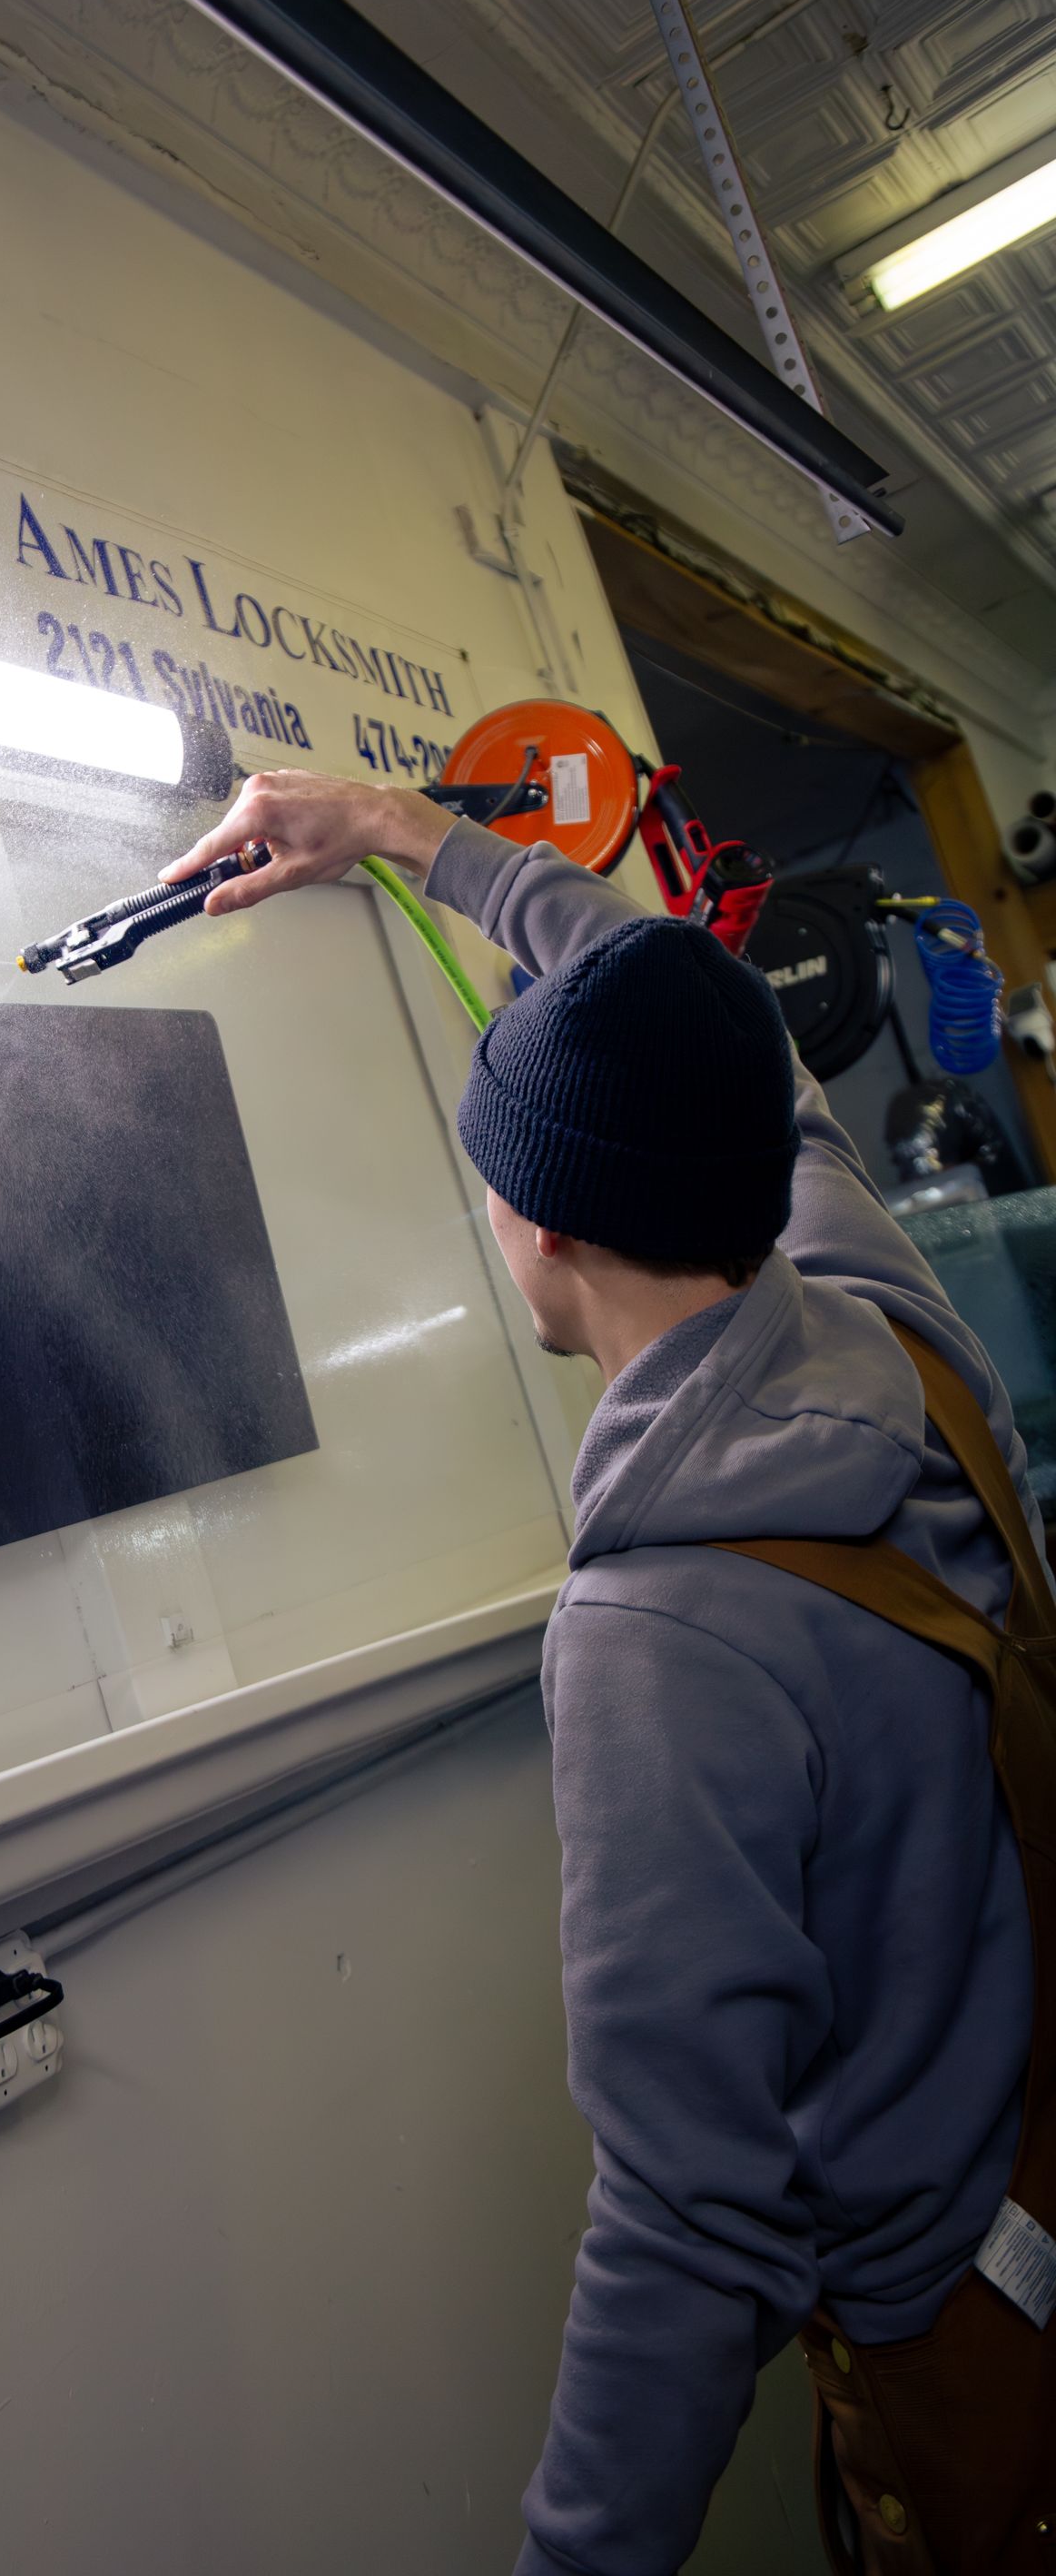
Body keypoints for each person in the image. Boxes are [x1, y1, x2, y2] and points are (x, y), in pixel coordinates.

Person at [163, 775, 1050, 2575]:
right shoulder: (879, 1306)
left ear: (536, 1228)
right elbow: (688, 1009)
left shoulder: (663, 1637)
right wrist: (415, 834)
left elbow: (689, 2222)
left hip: (969, 2360)